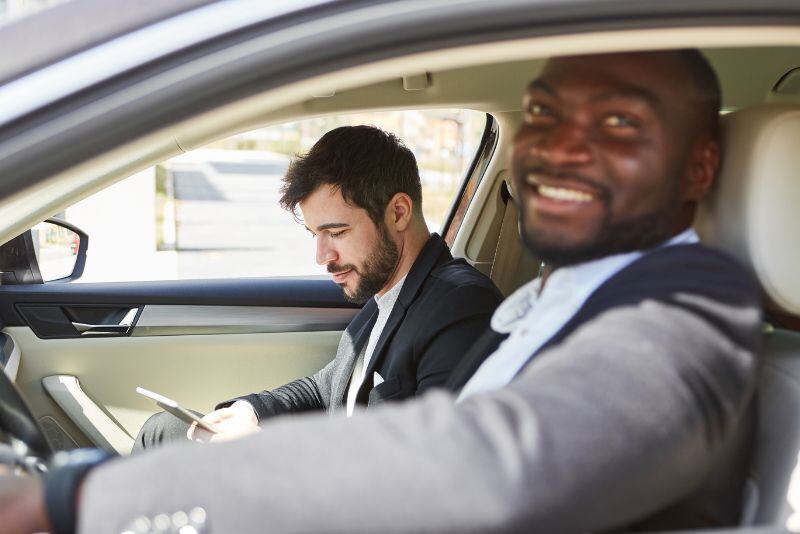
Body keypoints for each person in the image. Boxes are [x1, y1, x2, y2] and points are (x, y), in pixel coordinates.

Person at [2, 49, 762, 534]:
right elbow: (342, 387)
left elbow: (491, 467)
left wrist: (86, 499)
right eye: (542, 113)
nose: (560, 146)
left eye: (620, 122)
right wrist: (251, 417)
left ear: (698, 169)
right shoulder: (558, 297)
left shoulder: (689, 306)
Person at [135, 125, 503, 448]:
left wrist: (272, 453)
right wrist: (248, 413)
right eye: (316, 234)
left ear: (399, 212)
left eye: (337, 232)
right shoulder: (385, 296)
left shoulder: (460, 306)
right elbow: (325, 389)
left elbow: (430, 465)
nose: (322, 256)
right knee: (165, 431)